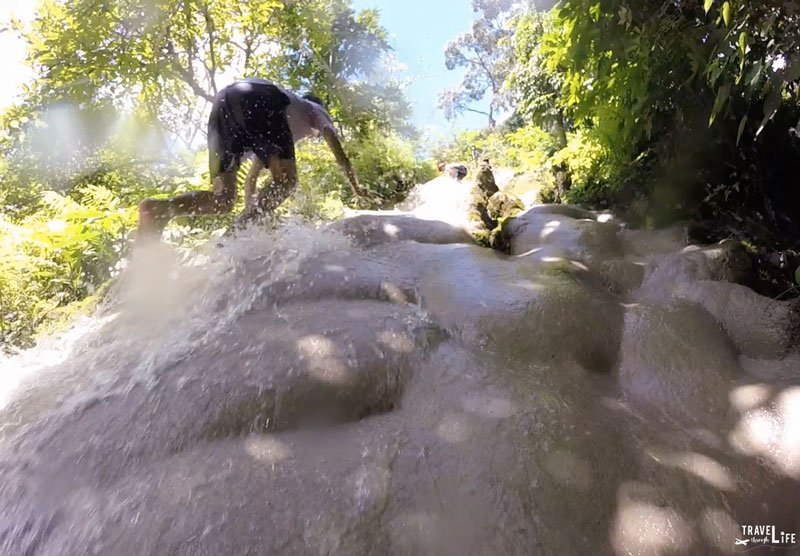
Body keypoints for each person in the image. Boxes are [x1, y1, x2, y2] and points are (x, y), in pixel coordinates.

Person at [137, 77, 364, 237]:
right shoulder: (313, 107)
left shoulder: (281, 127)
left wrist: (251, 212)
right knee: (287, 182)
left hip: (224, 103)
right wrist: (355, 186)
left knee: (223, 199)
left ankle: (159, 208)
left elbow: (253, 176)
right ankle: (233, 237)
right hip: (261, 96)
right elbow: (335, 144)